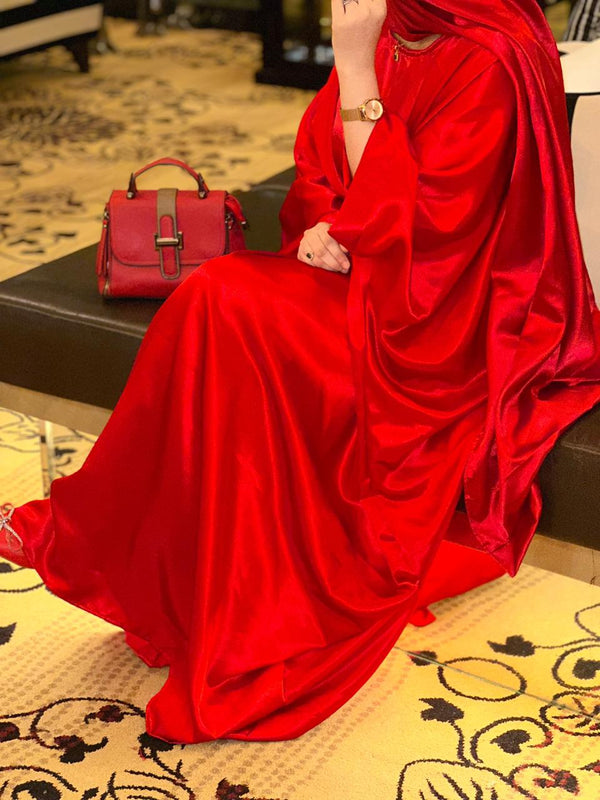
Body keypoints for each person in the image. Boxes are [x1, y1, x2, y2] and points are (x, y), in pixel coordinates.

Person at [2, 0, 600, 744]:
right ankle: (149, 570)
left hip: (441, 324)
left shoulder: (490, 55)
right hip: (361, 281)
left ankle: (190, 594)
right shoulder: (398, 24)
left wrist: (352, 66)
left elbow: (430, 230)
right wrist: (327, 224)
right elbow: (321, 163)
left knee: (226, 303)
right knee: (219, 309)